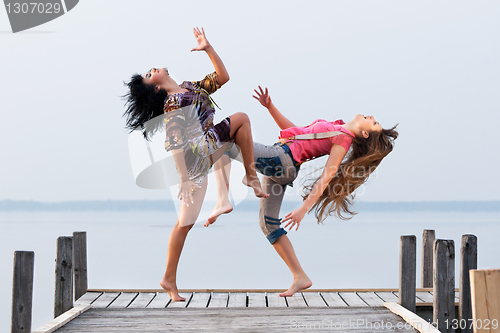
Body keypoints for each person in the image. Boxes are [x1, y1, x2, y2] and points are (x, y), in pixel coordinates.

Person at [207, 86, 398, 297]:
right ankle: (300, 276)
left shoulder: (343, 138)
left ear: (364, 133)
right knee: (268, 225)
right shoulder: (337, 126)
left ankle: (225, 198)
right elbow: (295, 133)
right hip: (283, 164)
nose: (371, 116)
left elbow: (326, 177)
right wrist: (270, 107)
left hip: (281, 160)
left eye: (374, 122)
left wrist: (303, 209)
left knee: (225, 139)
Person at [123, 28, 267, 301]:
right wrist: (185, 178)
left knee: (185, 223)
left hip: (204, 151)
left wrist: (208, 48)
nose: (152, 69)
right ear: (156, 86)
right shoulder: (174, 104)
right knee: (241, 119)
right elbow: (175, 143)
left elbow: (223, 77)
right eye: (148, 73)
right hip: (196, 157)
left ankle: (168, 278)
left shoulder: (190, 88)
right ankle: (248, 178)